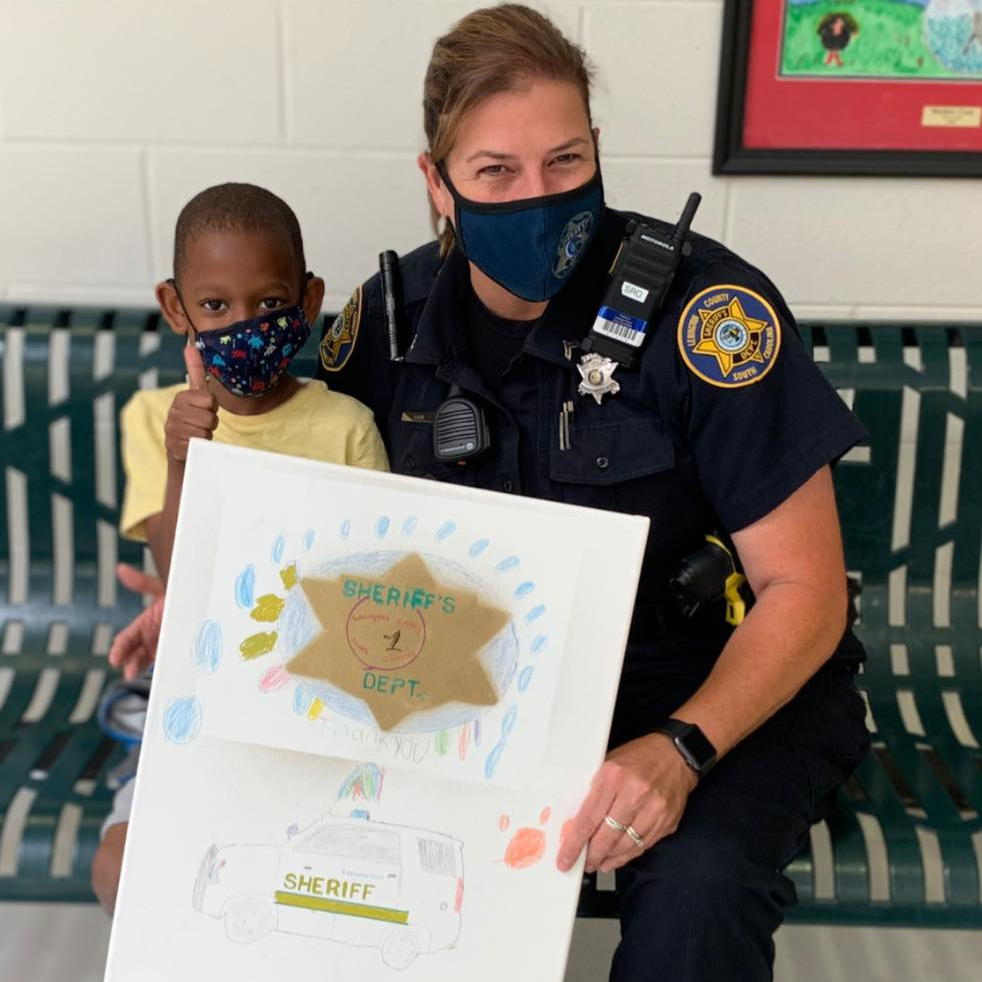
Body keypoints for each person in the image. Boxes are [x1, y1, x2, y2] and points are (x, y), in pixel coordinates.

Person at [107, 7, 870, 978]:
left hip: (708, 685)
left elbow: (806, 593)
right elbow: (317, 522)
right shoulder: (380, 330)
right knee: (354, 876)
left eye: (564, 161)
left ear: (597, 151)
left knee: (698, 891)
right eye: (495, 172)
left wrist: (677, 749)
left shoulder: (707, 319)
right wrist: (202, 585)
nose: (537, 196)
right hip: (485, 688)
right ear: (436, 182)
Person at [92, 182, 389, 913]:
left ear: (310, 300)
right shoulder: (154, 419)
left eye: (269, 303)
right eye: (216, 306)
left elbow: (371, 574)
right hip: (195, 700)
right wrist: (181, 459)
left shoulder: (345, 424)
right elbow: (173, 567)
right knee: (122, 868)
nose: (244, 325)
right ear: (176, 308)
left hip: (315, 708)